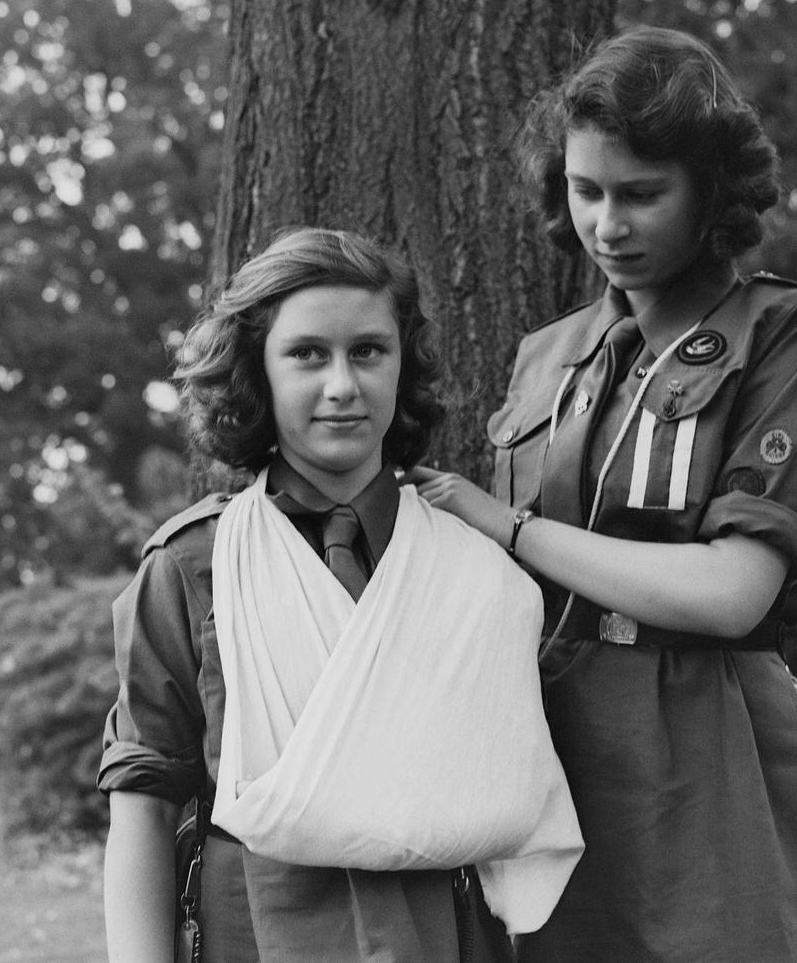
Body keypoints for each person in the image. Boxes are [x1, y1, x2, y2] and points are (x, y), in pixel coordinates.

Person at [410, 26, 797, 962]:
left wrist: (508, 527)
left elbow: (732, 592)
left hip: (701, 739)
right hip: (545, 741)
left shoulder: (787, 330)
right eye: (587, 191)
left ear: (711, 192)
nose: (607, 226)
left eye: (642, 194)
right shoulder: (547, 355)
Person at [98, 227, 580, 963]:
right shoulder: (194, 565)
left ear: (402, 364)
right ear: (256, 372)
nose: (343, 386)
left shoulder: (474, 566)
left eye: (368, 351)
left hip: (441, 932)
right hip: (256, 933)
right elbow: (144, 801)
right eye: (307, 354)